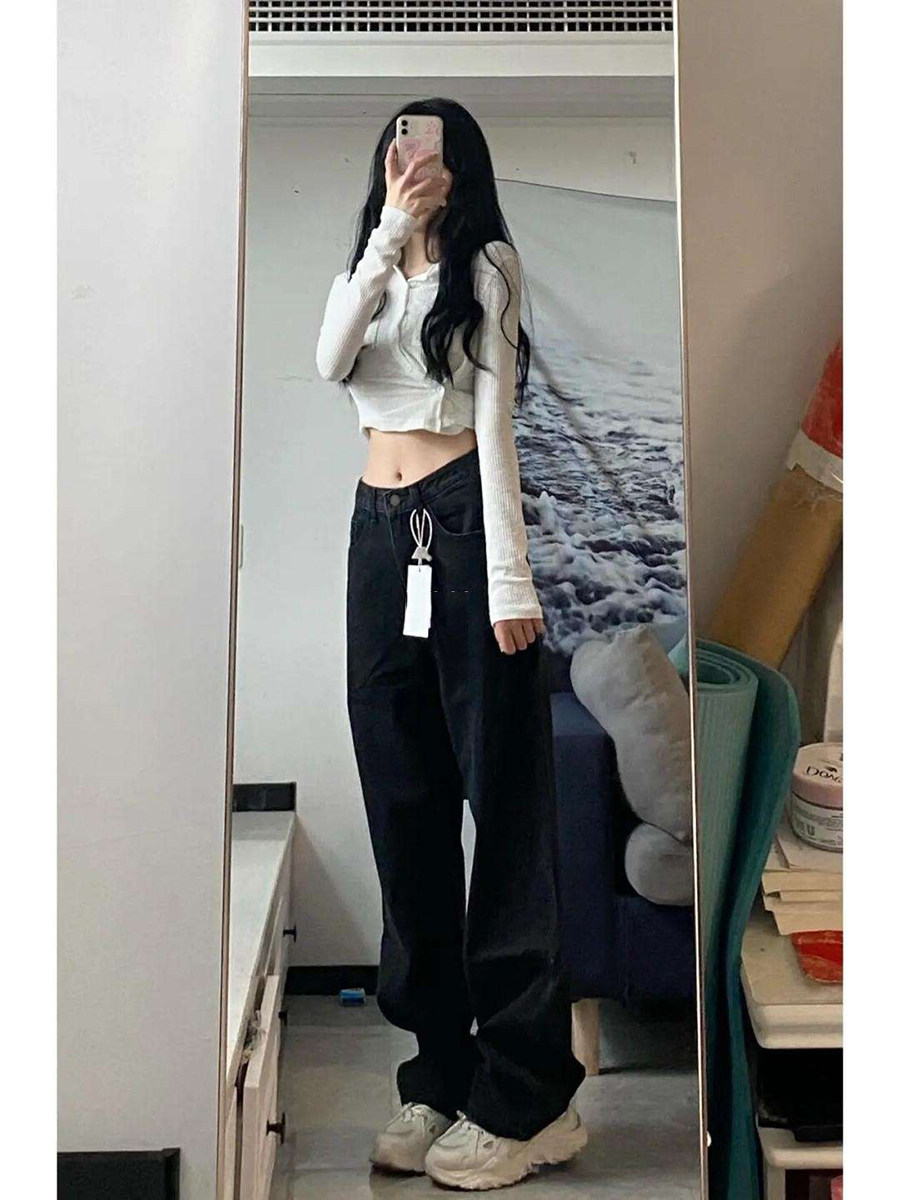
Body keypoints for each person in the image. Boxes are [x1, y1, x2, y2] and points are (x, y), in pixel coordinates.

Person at [316, 97, 586, 1191]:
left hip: (467, 526)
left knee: (505, 807)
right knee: (403, 803)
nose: (410, 155)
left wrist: (513, 577)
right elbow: (329, 359)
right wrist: (389, 231)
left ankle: (529, 1097)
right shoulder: (369, 267)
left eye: (428, 143)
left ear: (460, 163)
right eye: (398, 140)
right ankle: (438, 1075)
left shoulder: (490, 268)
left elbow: (495, 423)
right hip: (378, 537)